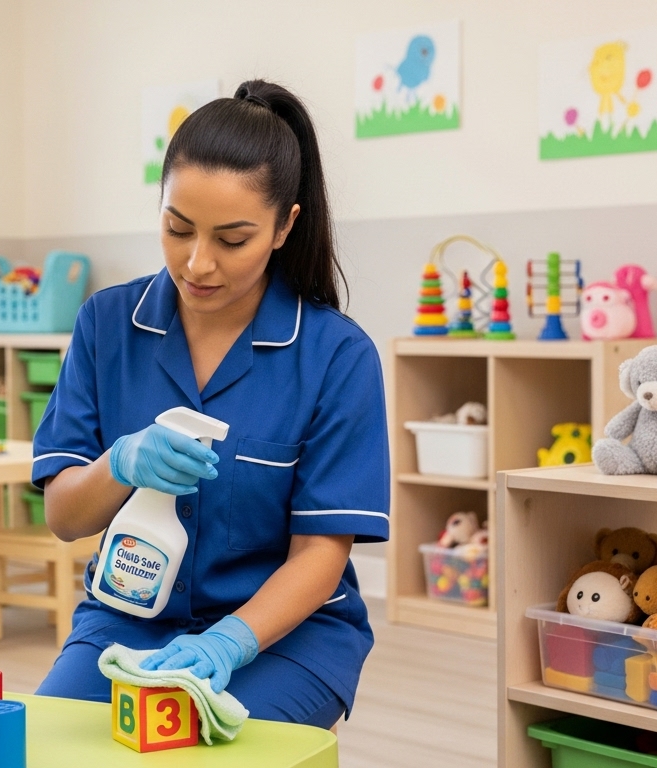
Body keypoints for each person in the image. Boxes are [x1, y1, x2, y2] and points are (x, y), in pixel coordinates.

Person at [30, 79, 390, 729]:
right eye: (177, 228)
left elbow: (321, 553)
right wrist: (119, 463)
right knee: (49, 745)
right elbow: (63, 515)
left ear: (284, 227)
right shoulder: (106, 325)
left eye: (232, 239)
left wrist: (228, 642)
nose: (197, 263)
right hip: (126, 621)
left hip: (283, 638)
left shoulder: (337, 355)